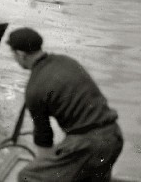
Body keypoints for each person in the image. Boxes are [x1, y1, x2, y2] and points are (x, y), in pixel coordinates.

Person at [7, 28, 123, 182]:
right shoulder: (67, 61)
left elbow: (44, 139)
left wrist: (43, 168)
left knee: (28, 176)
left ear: (21, 54)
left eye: (13, 54)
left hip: (88, 146)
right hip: (114, 136)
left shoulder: (34, 89)